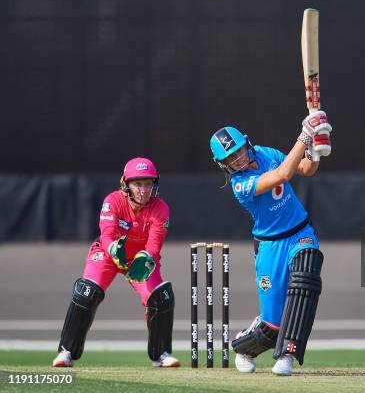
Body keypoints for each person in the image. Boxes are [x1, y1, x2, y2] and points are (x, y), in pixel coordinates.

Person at [209, 110, 332, 376]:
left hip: (300, 232)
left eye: (240, 151)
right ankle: (244, 347)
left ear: (246, 144)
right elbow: (282, 176)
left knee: (306, 279)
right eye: (231, 158)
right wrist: (305, 135)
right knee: (271, 325)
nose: (239, 159)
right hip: (269, 246)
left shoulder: (264, 153)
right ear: (224, 164)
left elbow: (305, 169)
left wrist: (315, 148)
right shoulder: (239, 185)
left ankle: (286, 355)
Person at [52, 157, 179, 368]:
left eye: (148, 184)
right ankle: (66, 352)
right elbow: (107, 234)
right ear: (126, 185)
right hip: (108, 255)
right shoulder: (113, 200)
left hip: (140, 260)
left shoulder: (160, 207)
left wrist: (146, 258)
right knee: (86, 292)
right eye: (138, 184)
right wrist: (112, 249)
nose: (143, 190)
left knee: (161, 297)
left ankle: (161, 355)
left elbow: (155, 244)